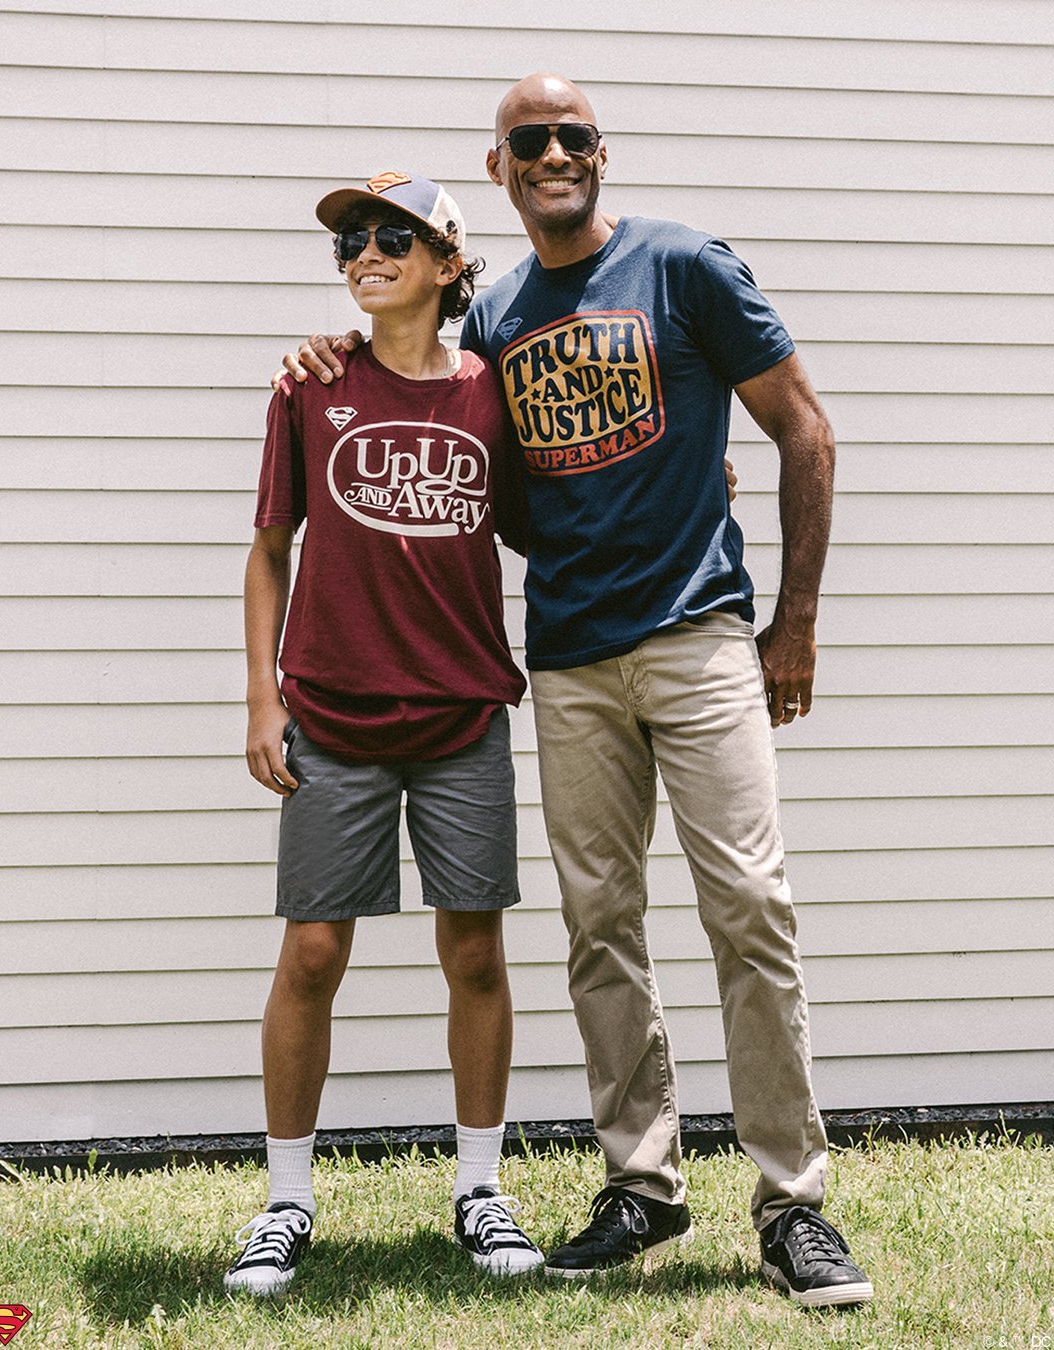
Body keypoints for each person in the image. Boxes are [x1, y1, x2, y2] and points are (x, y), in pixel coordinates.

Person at [282, 74, 873, 1309]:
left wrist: (795, 625)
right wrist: (331, 350)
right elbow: (470, 456)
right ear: (498, 168)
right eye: (529, 140)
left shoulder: (684, 265)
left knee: (749, 909)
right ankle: (643, 1185)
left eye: (573, 136)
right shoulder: (495, 317)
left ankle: (793, 1206)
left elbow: (806, 429)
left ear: (601, 153)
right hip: (567, 657)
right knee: (601, 927)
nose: (553, 153)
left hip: (701, 638)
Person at [225, 170, 546, 1297]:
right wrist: (263, 699)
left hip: (462, 714)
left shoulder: (494, 393)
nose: (365, 253)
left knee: (476, 953)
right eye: (350, 241)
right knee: (313, 953)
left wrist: (687, 479)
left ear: (449, 264)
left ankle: (481, 1189)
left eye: (392, 238)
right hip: (334, 712)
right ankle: (285, 1200)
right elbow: (270, 550)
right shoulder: (311, 386)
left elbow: (554, 516)